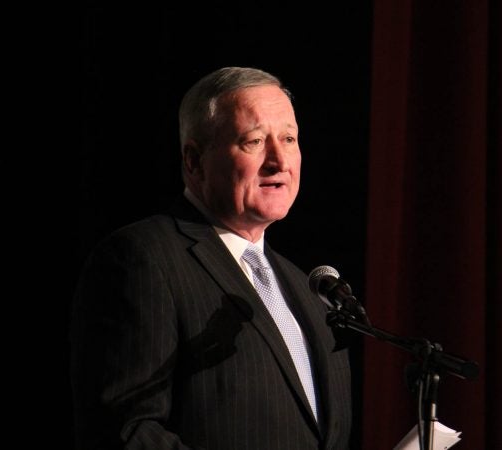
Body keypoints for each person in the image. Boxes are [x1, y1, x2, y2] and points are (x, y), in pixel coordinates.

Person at [70, 67, 353, 449]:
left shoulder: (308, 289)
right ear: (194, 160)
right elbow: (127, 430)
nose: (279, 160)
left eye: (289, 138)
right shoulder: (143, 259)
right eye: (254, 141)